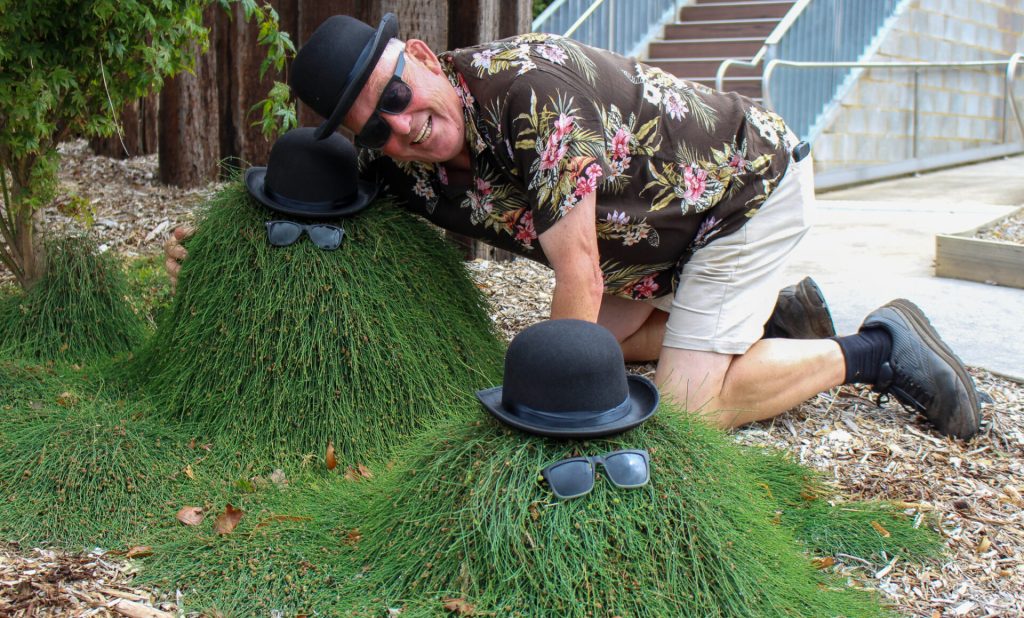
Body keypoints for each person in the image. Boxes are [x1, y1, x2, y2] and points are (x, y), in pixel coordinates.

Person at [165, 14, 980, 439]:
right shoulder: (402, 162)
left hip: (744, 194)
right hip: (661, 250)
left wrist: (546, 429)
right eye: (372, 126)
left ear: (420, 55)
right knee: (596, 344)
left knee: (687, 411)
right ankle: (774, 318)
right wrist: (215, 253)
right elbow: (312, 202)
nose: (399, 125)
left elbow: (579, 279)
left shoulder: (529, 92)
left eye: (397, 93)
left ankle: (880, 348)